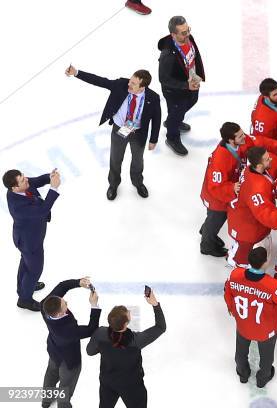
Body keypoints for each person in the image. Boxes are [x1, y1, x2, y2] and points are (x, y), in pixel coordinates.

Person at [199, 122, 277, 257]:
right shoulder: (220, 158)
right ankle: (207, 245)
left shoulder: (240, 142)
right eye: (240, 136)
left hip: (227, 190)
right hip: (216, 197)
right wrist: (232, 187)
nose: (244, 137)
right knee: (216, 219)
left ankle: (207, 231)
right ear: (231, 140)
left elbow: (261, 143)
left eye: (242, 133)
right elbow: (215, 186)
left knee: (213, 220)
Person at [65, 65, 161, 200]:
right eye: (130, 80)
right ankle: (113, 184)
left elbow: (157, 119)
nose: (129, 83)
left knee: (138, 160)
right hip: (119, 129)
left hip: (139, 133)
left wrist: (153, 139)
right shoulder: (121, 84)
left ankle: (138, 183)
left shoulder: (153, 97)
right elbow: (100, 81)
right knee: (115, 159)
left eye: (133, 83)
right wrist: (76, 73)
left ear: (142, 86)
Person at [224, 247, 277, 388]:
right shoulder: (272, 285)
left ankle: (242, 374)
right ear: (265, 263)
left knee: (241, 352)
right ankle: (263, 378)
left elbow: (227, 292)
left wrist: (232, 309)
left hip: (243, 325)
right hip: (265, 330)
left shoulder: (235, 275)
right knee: (266, 357)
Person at [86, 289, 166, 408]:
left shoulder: (100, 334)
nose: (129, 312)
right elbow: (160, 327)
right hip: (132, 385)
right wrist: (155, 304)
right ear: (125, 324)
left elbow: (90, 352)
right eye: (128, 314)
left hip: (108, 382)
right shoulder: (136, 340)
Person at [226, 146, 277, 268]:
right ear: (259, 165)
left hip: (243, 220)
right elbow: (264, 212)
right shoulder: (257, 188)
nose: (270, 159)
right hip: (247, 229)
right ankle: (237, 264)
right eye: (267, 159)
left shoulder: (250, 169)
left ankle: (236, 253)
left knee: (243, 247)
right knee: (243, 259)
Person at [3, 169, 61, 311]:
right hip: (30, 242)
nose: (26, 179)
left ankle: (24, 287)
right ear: (15, 188)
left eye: (23, 176)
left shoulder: (22, 185)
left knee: (26, 264)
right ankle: (25, 300)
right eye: (23, 180)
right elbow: (43, 209)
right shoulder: (18, 207)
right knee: (34, 270)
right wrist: (54, 187)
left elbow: (36, 180)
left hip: (28, 238)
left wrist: (49, 177)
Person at [41, 277, 101, 408]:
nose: (66, 301)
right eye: (64, 305)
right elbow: (92, 329)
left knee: (51, 374)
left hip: (54, 351)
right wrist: (94, 305)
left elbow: (62, 286)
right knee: (66, 387)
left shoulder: (45, 305)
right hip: (69, 361)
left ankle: (46, 401)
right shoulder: (68, 331)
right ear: (58, 314)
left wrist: (78, 282)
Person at [158, 16, 205, 156]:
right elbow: (163, 78)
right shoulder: (167, 55)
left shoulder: (188, 38)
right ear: (173, 34)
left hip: (190, 80)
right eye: (183, 32)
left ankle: (173, 120)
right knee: (177, 111)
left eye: (188, 30)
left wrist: (197, 74)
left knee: (192, 100)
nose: (187, 34)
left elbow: (194, 56)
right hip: (175, 90)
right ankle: (172, 137)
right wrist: (186, 85)